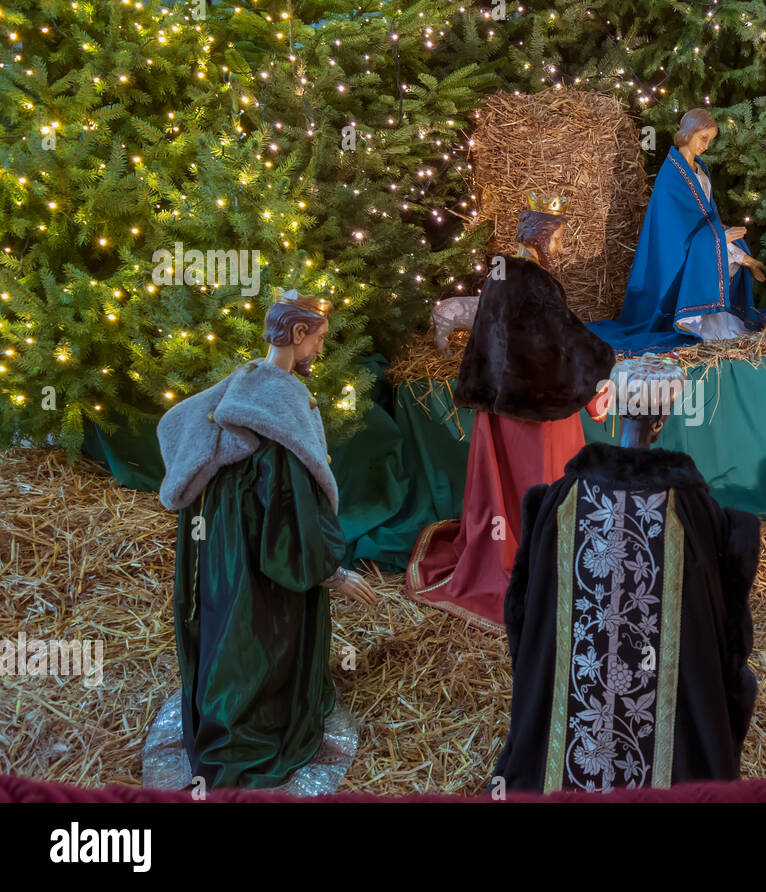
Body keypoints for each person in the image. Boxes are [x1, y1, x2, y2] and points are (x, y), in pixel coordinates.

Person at [494, 355, 759, 792]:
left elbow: (525, 611)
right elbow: (722, 614)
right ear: (666, 413)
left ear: (615, 404)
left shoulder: (562, 499)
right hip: (677, 744)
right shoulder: (690, 508)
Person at [154, 290, 377, 790]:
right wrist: (328, 572)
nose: (321, 348)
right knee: (255, 638)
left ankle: (223, 710)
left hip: (224, 553)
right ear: (298, 335)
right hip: (260, 562)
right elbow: (288, 520)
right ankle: (250, 728)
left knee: (227, 626)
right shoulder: (276, 417)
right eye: (318, 338)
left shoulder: (248, 381)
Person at [405, 193, 615, 631]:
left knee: (507, 495)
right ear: (541, 236)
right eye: (556, 239)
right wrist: (603, 361)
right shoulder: (535, 282)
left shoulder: (500, 273)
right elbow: (562, 340)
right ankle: (543, 552)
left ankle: (510, 543)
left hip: (501, 409)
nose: (559, 248)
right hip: (535, 417)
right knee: (540, 483)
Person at [587, 109, 766, 353]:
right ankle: (692, 316)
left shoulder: (700, 172)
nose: (706, 145)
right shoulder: (672, 175)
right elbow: (673, 230)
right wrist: (717, 238)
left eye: (710, 140)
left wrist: (721, 237)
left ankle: (739, 264)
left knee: (723, 244)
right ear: (688, 133)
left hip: (698, 243)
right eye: (703, 137)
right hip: (675, 254)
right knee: (715, 245)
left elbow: (706, 220)